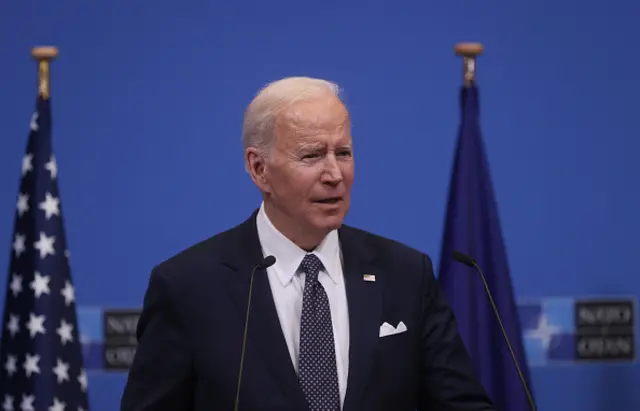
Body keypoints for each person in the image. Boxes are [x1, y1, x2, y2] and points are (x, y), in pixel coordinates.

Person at [120, 77, 496, 411]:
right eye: (312, 156)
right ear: (258, 169)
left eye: (343, 153)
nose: (334, 174)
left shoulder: (404, 274)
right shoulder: (188, 287)